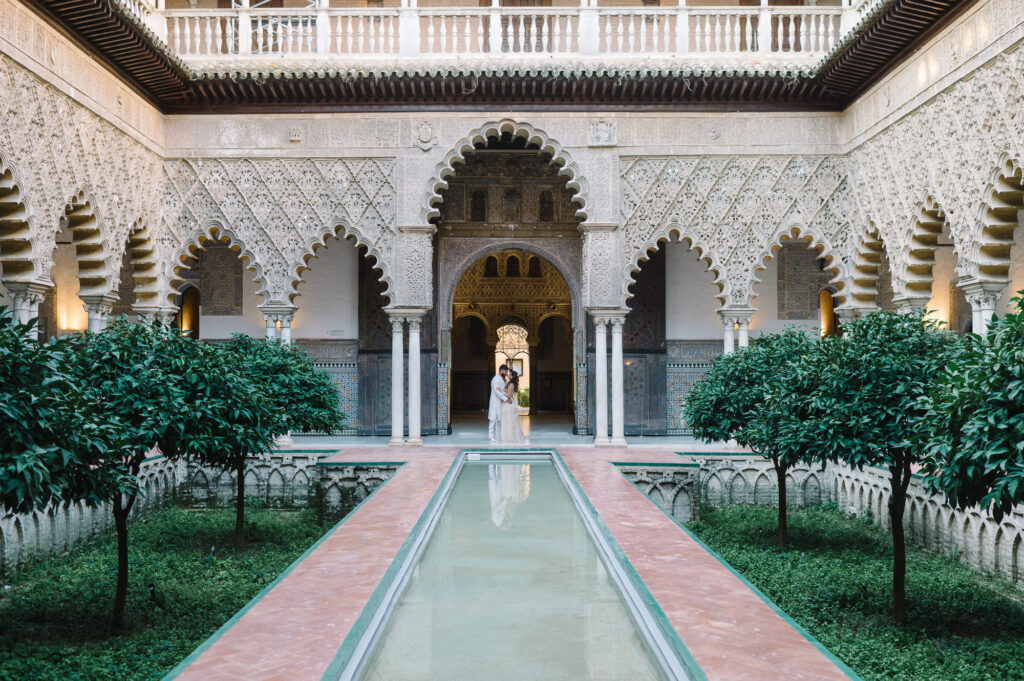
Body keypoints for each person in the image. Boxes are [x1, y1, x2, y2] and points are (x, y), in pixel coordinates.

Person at [499, 370, 525, 444]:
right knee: (509, 420)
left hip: (508, 404)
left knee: (509, 420)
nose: (508, 374)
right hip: (509, 403)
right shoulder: (510, 383)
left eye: (510, 374)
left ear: (512, 376)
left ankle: (511, 437)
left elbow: (508, 395)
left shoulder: (511, 384)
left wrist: (501, 391)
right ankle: (511, 436)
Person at [488, 364, 509, 443]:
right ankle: (491, 436)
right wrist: (506, 399)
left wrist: (504, 393)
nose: (505, 372)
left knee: (500, 420)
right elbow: (497, 392)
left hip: (501, 403)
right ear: (500, 370)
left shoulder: (504, 379)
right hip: (495, 402)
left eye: (506, 371)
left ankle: (500, 436)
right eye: (504, 371)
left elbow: (507, 387)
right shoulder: (495, 379)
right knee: (493, 419)